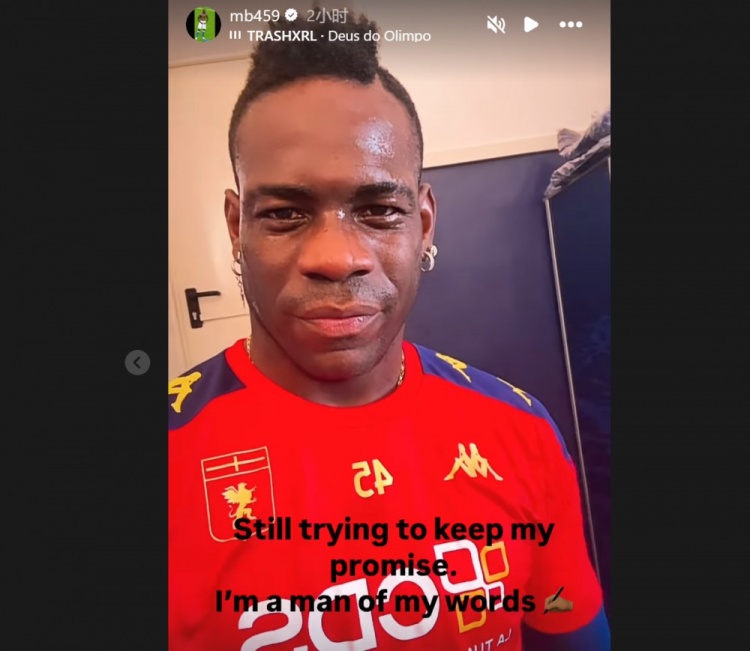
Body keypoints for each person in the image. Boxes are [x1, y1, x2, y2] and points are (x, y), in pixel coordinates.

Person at [168, 10, 610, 651]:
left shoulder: (521, 431)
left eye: (378, 210)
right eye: (286, 213)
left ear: (423, 224)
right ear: (237, 227)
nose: (337, 257)